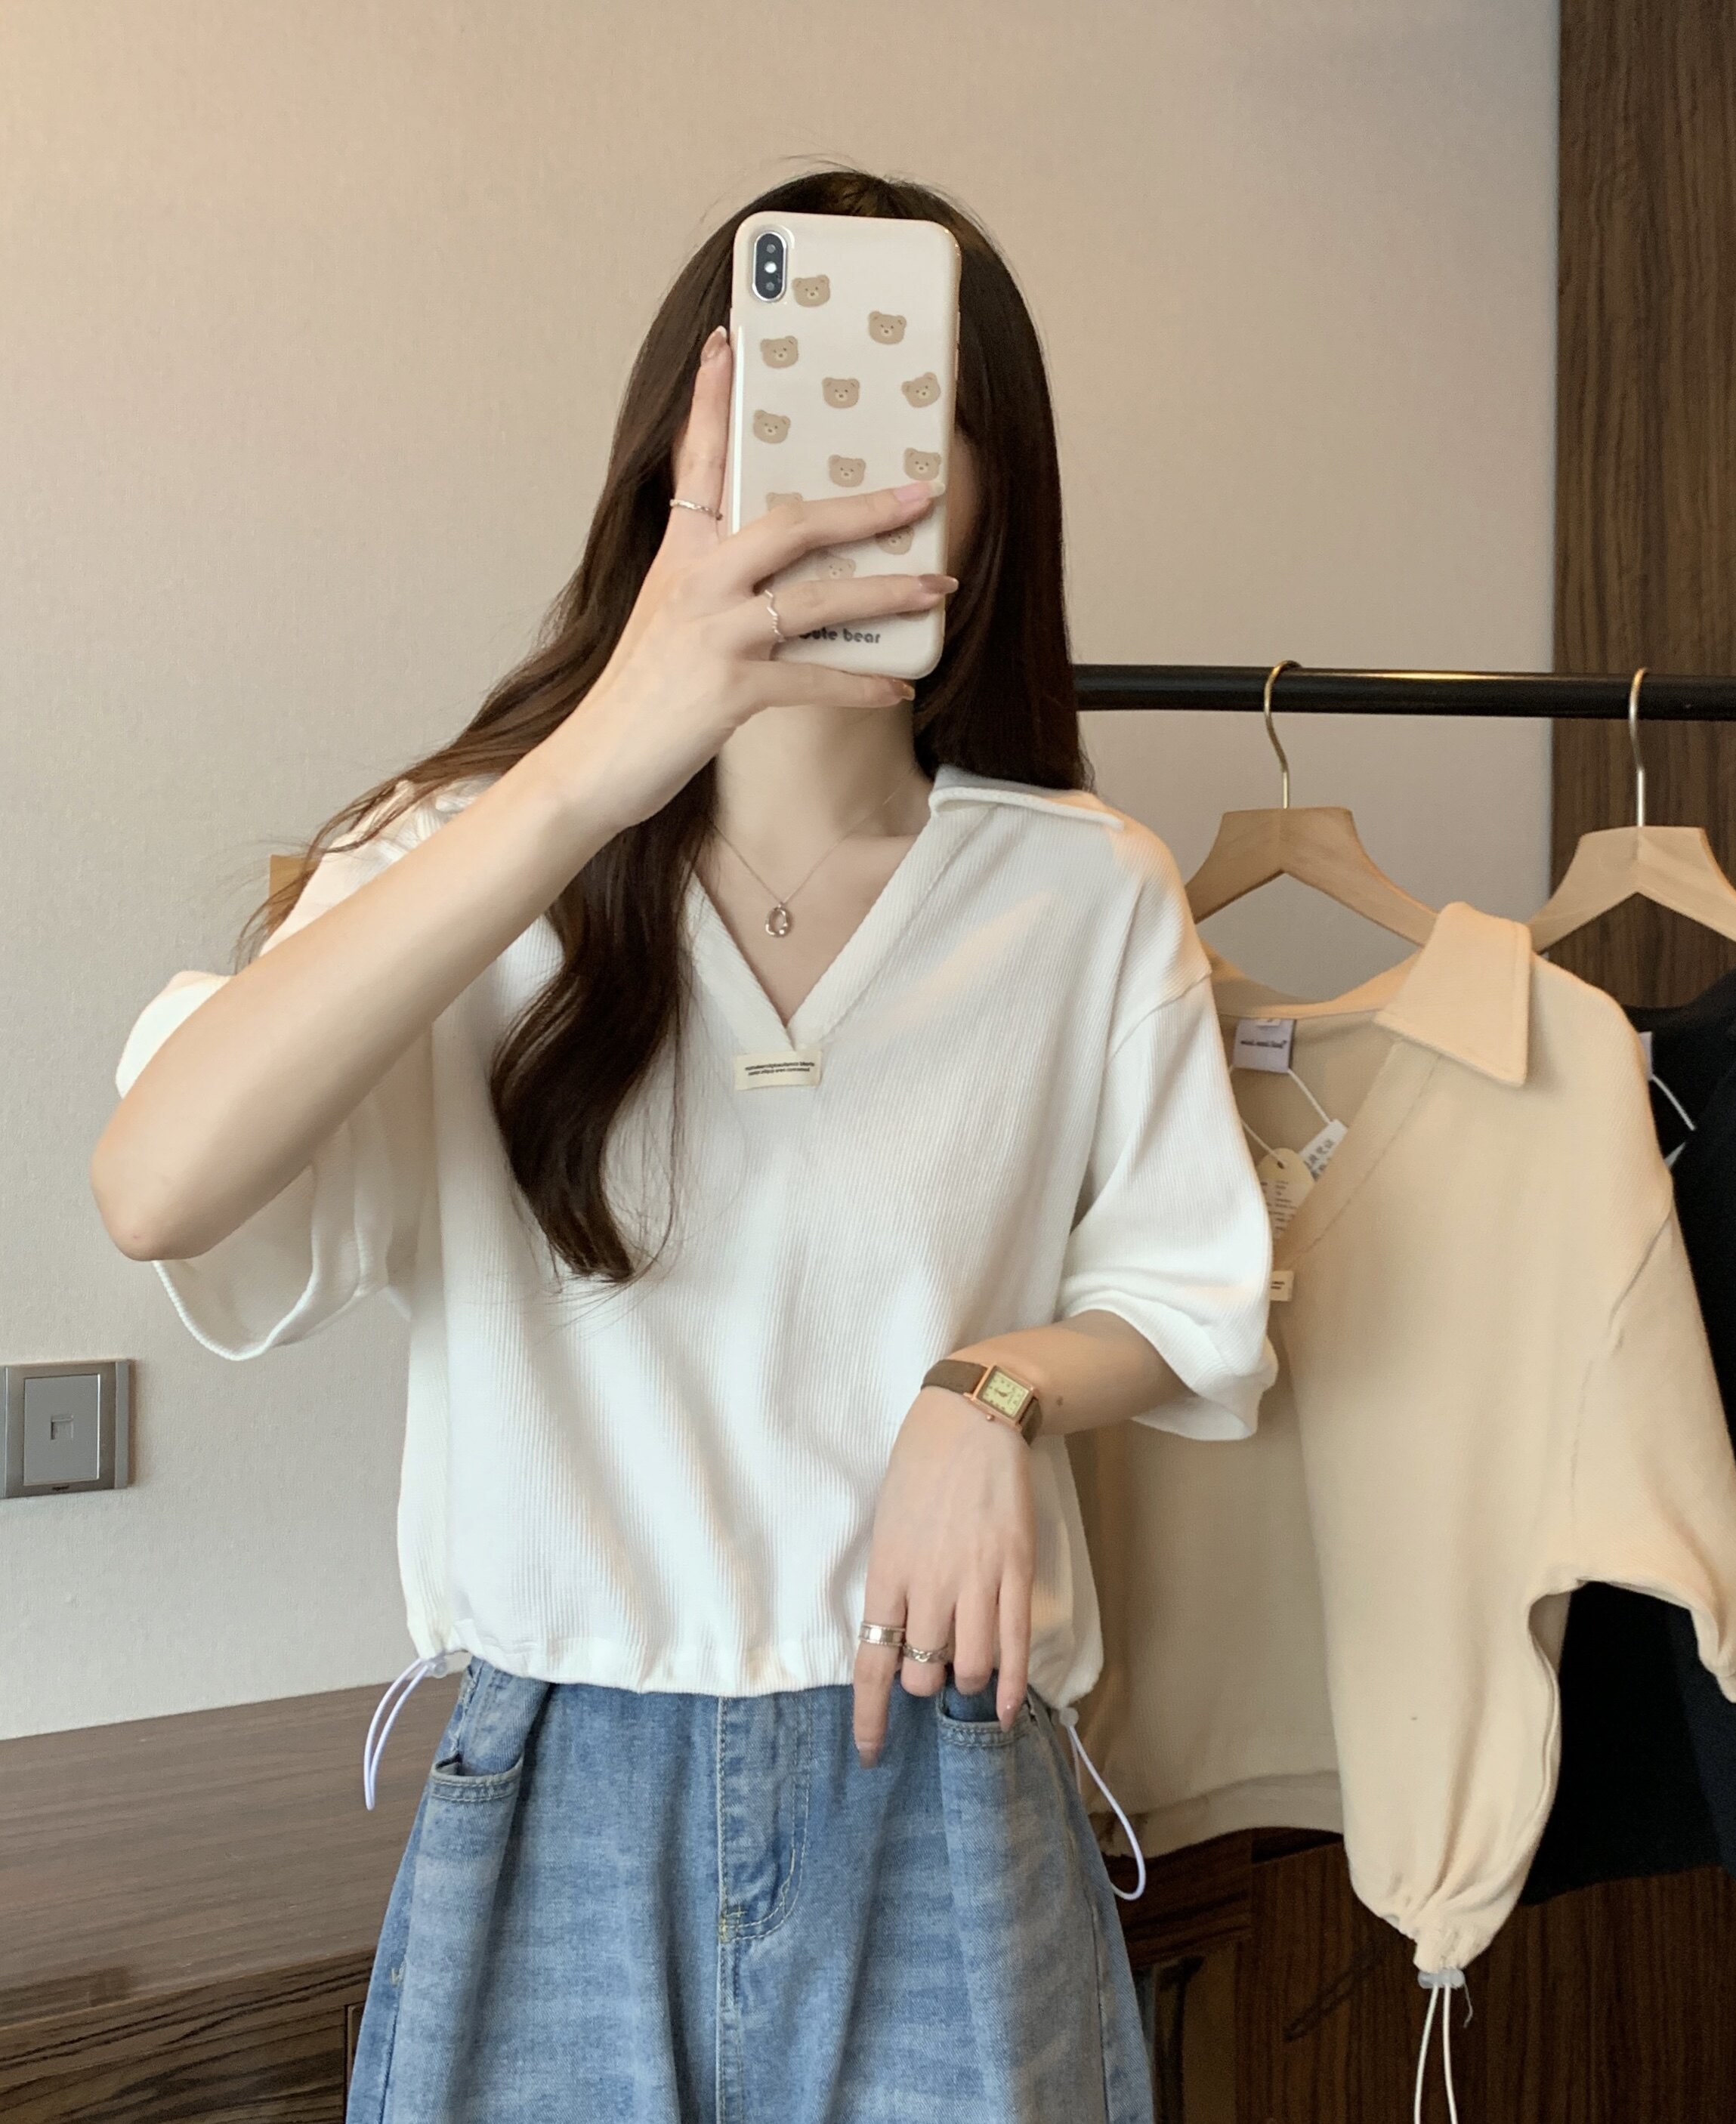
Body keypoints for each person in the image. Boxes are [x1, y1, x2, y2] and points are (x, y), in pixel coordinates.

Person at [90, 168, 1274, 2122]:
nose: (847, 476)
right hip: (558, 1801)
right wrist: (592, 767)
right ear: (674, 456)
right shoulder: (468, 868)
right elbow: (157, 1185)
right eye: (791, 408)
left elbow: (1189, 1292)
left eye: (916, 415)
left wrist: (992, 1388)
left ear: (993, 504)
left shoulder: (1082, 892)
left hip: (944, 1789)